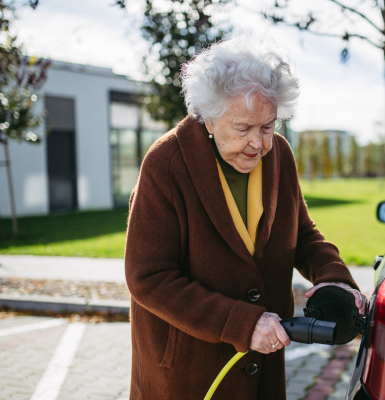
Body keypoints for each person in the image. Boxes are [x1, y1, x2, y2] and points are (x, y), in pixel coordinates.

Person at [125, 36, 366, 400]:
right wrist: (241, 323)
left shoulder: (279, 154)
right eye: (243, 129)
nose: (259, 143)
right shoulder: (165, 163)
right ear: (208, 117)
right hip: (189, 374)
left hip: (262, 370)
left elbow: (301, 234)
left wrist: (336, 280)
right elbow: (148, 277)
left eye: (268, 126)